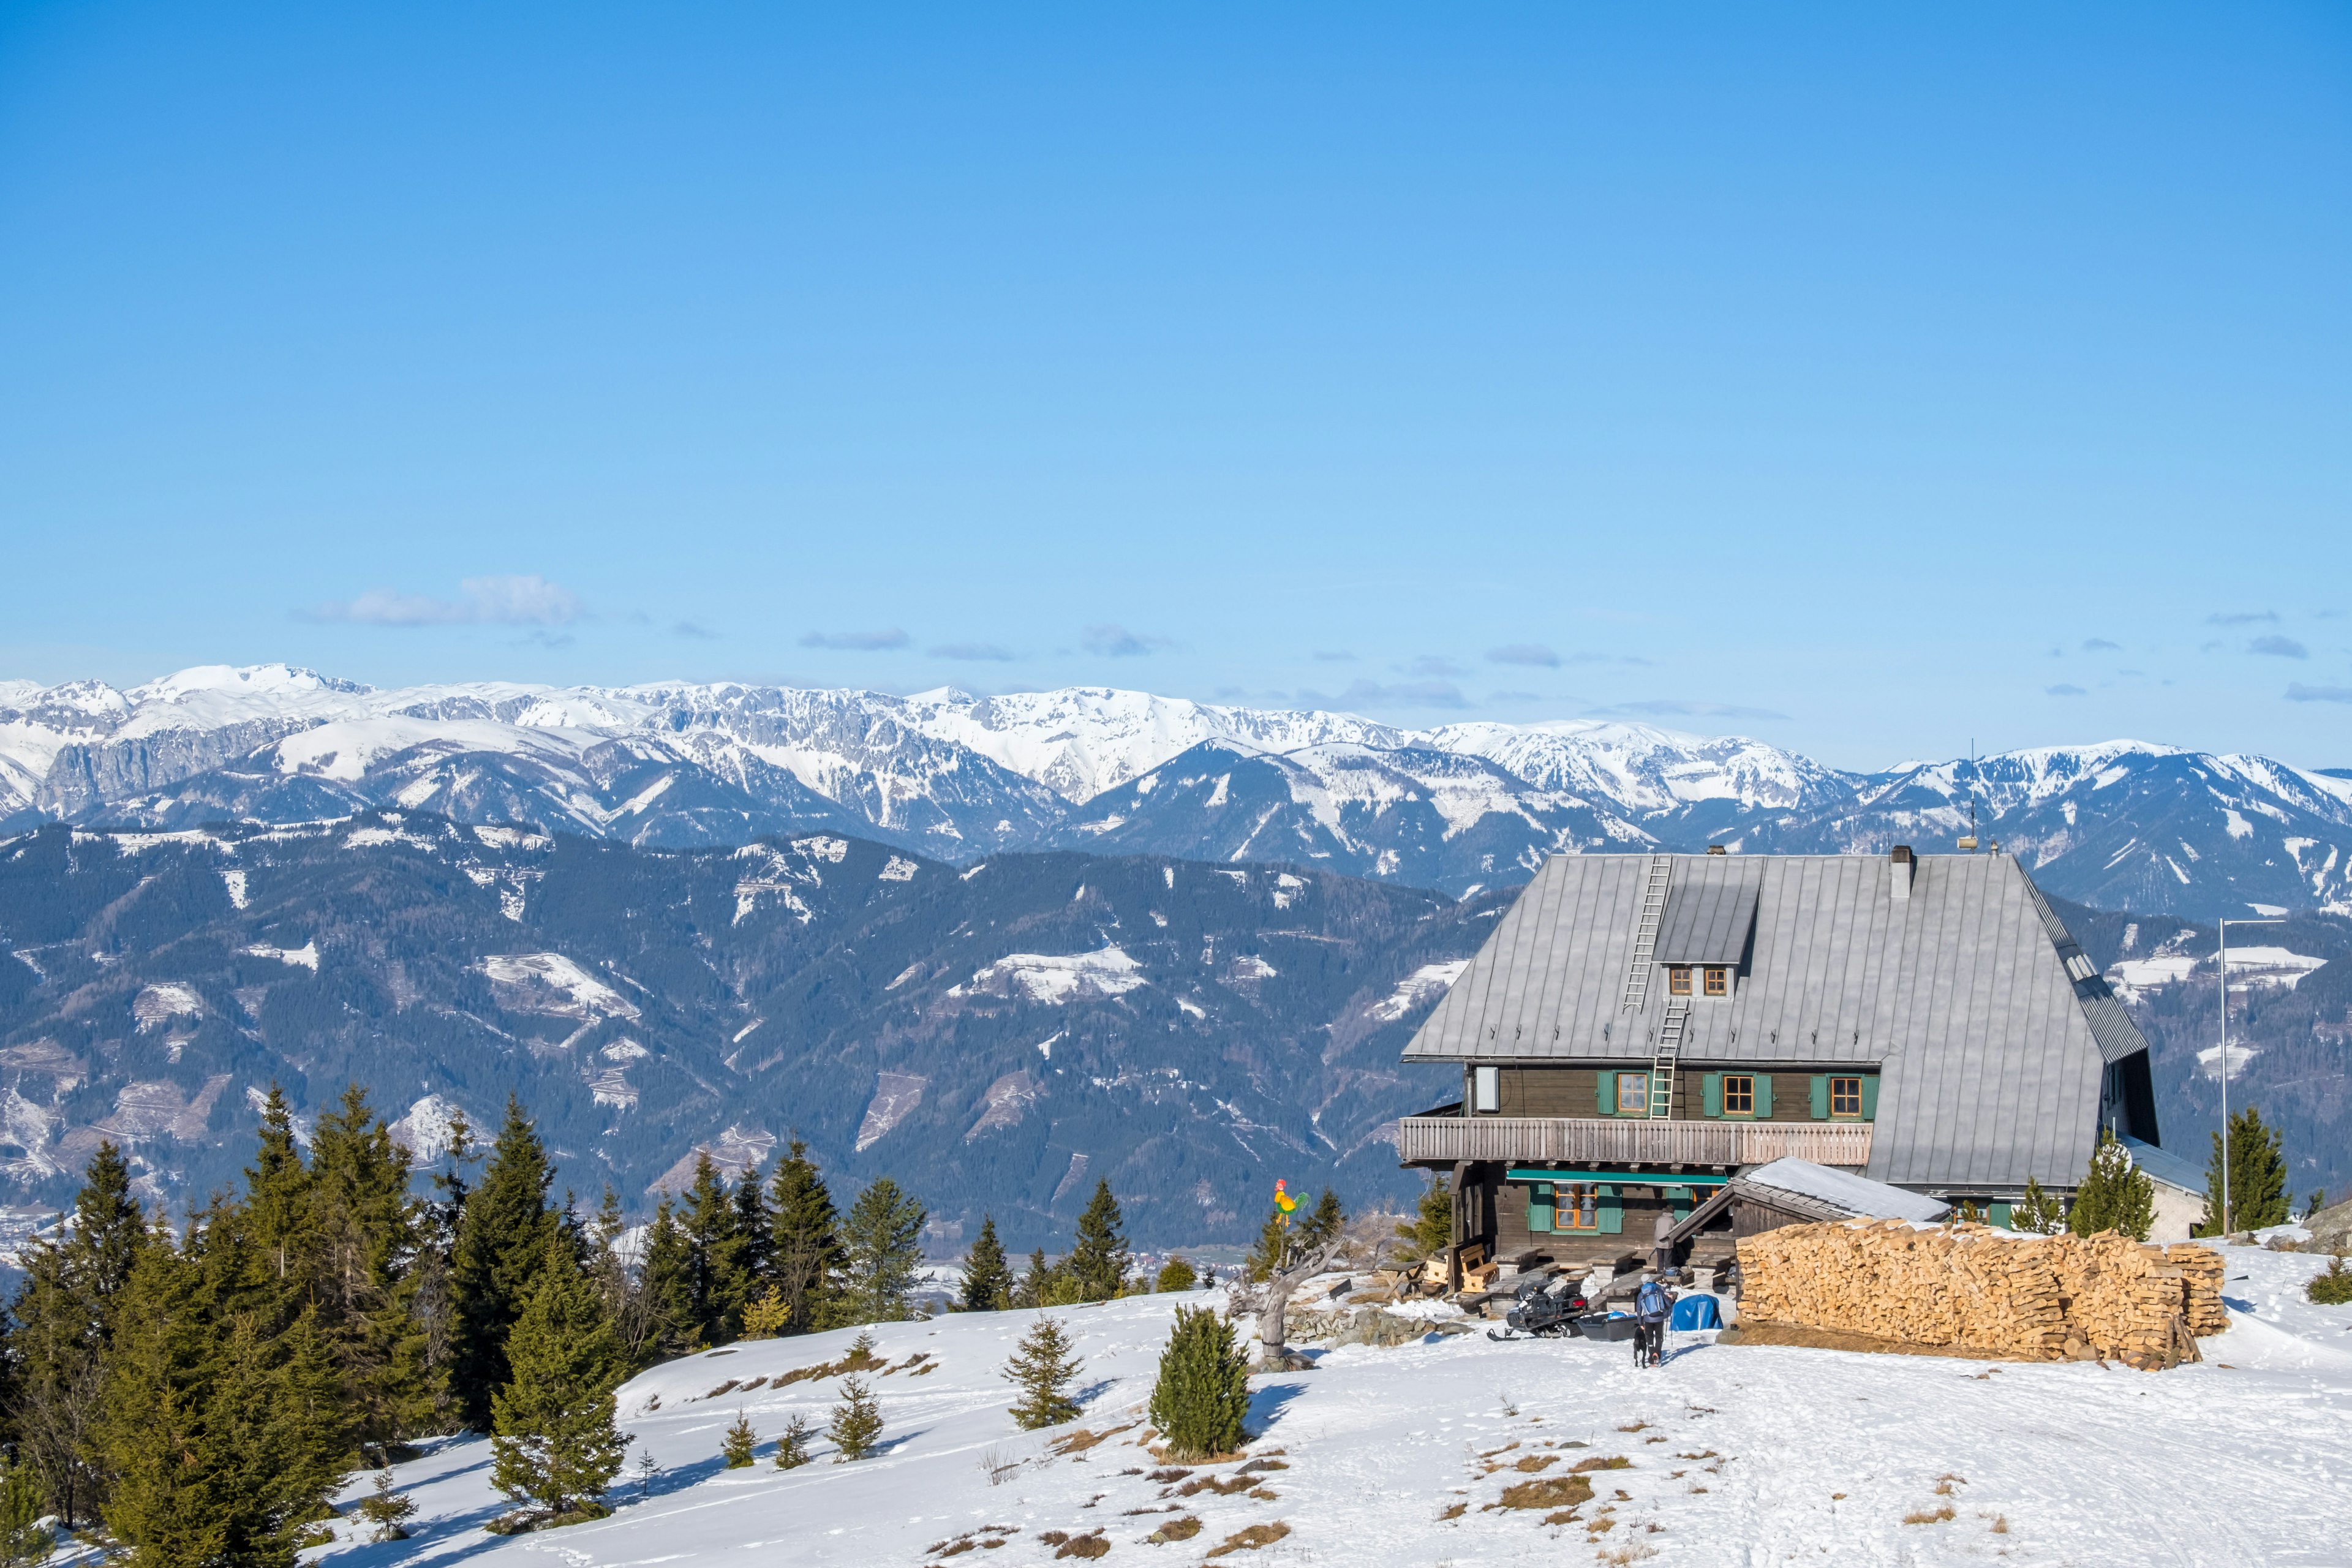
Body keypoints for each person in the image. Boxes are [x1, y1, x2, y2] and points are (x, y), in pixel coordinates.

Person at [1633, 1272, 1675, 1368]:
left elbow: (1639, 1310)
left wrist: (1640, 1323)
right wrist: (1670, 1299)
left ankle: (1652, 1357)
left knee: (1649, 1338)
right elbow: (1668, 1304)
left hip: (1648, 1319)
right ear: (1651, 1280)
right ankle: (1657, 1355)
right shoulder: (1658, 1289)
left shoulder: (1641, 1294)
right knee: (1659, 1337)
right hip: (1659, 1318)